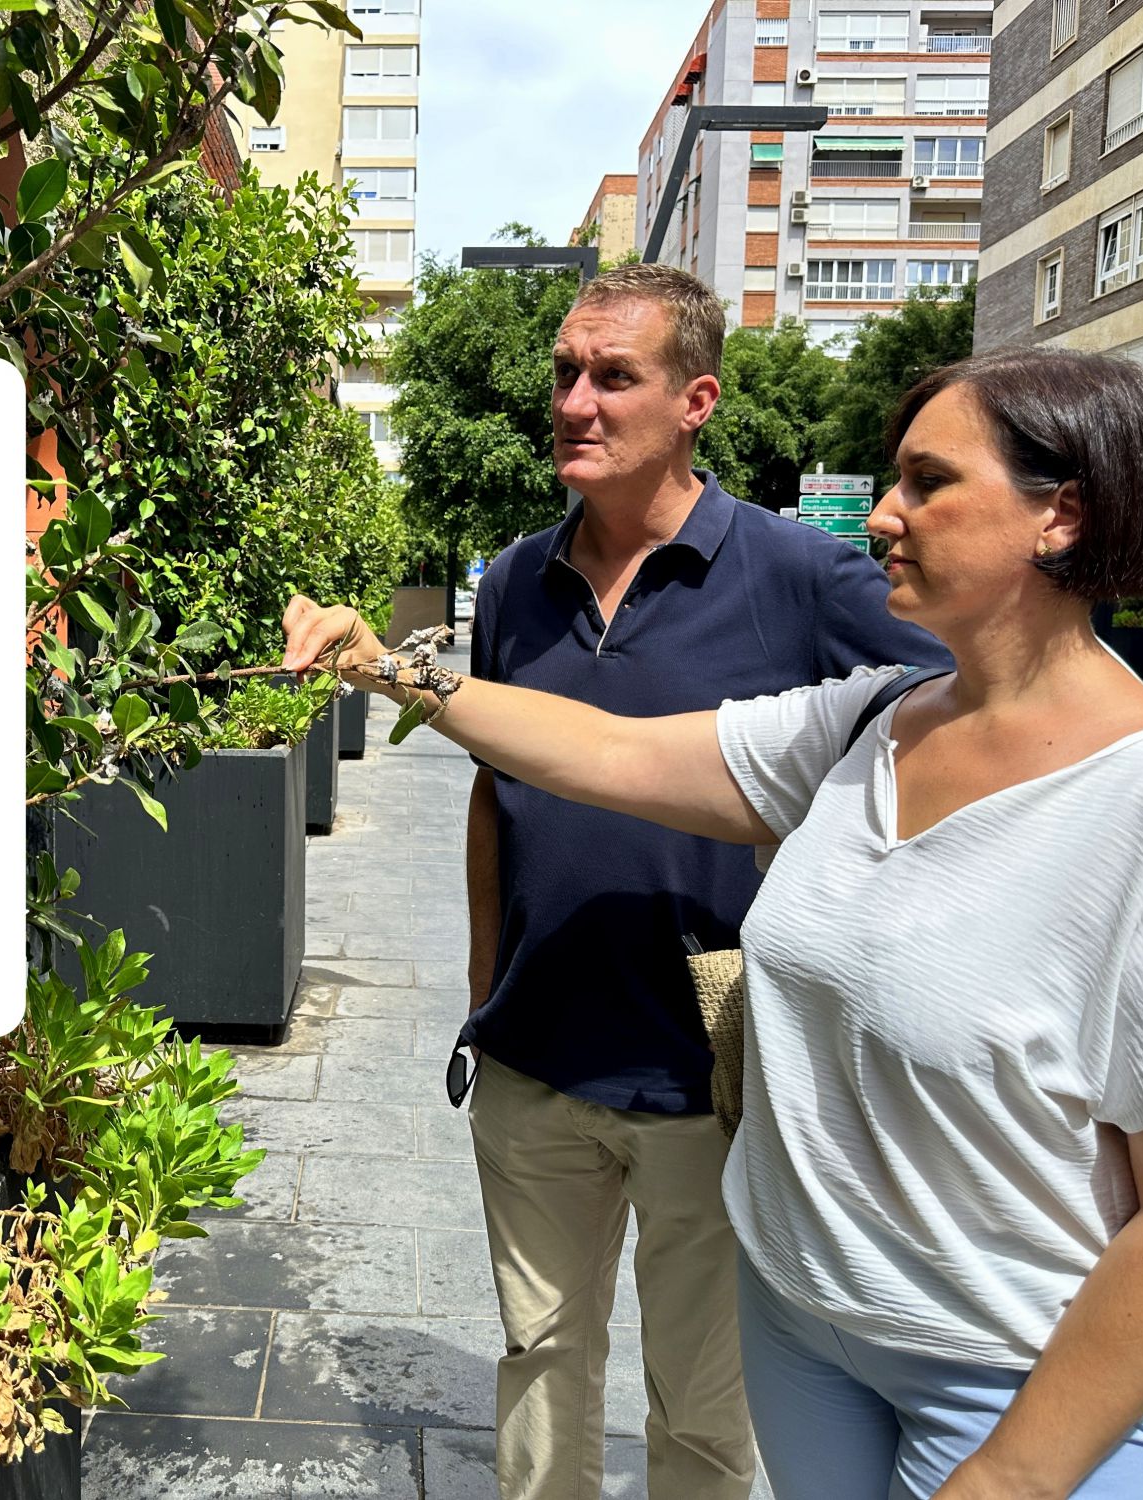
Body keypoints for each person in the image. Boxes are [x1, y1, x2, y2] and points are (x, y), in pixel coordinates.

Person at [281, 346, 1143, 1499]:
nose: (882, 515)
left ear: (1057, 516)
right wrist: (387, 672)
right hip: (808, 1339)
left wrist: (1008, 1477)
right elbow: (610, 750)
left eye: (928, 484)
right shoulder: (872, 720)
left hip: (1016, 1385)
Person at [453, 262, 947, 1500]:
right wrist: (479, 992)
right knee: (537, 1361)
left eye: (612, 376)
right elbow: (491, 789)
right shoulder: (515, 579)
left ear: (695, 401)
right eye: (565, 373)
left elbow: (966, 708)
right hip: (534, 1059)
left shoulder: (795, 575)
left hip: (714, 1076)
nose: (575, 400)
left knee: (703, 1414)